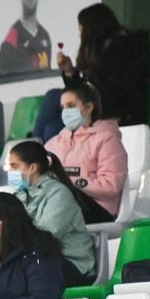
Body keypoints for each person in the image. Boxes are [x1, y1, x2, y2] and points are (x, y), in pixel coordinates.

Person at [33, 3, 150, 142]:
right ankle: (33, 149)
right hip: (98, 111)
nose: (80, 34)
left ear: (92, 30)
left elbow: (111, 98)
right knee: (52, 101)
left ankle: (34, 153)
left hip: (118, 119)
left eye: (81, 30)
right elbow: (92, 91)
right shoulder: (104, 52)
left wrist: (79, 101)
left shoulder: (125, 55)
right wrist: (70, 72)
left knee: (53, 127)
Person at [8, 141, 97, 287]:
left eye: (15, 166)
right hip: (40, 261)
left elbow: (45, 237)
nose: (10, 172)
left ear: (32, 167)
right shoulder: (19, 195)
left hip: (71, 264)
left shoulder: (59, 193)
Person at [44, 84, 128, 224]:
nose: (65, 112)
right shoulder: (53, 143)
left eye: (71, 106)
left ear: (89, 107)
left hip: (97, 208)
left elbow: (111, 185)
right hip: (61, 204)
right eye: (63, 107)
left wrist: (73, 184)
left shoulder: (107, 139)